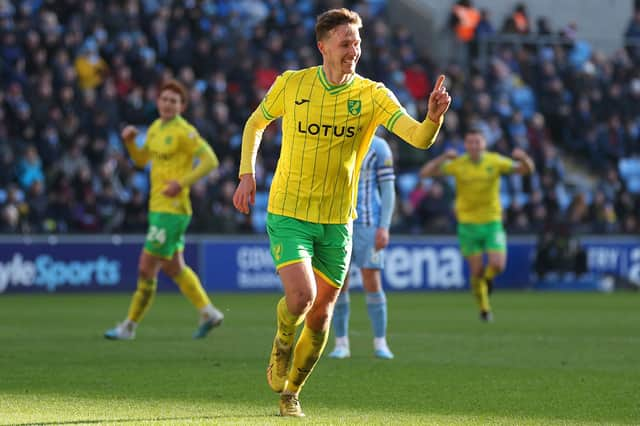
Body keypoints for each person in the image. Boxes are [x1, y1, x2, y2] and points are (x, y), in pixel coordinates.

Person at [232, 8, 451, 417]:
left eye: (357, 43)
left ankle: (291, 392)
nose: (354, 50)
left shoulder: (372, 94)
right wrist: (247, 174)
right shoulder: (292, 84)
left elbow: (418, 138)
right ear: (323, 46)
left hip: (338, 221)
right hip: (289, 210)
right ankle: (282, 340)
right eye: (346, 43)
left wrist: (433, 119)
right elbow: (254, 124)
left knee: (322, 312)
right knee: (301, 297)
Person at [104, 79, 224, 340]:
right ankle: (208, 312)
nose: (168, 104)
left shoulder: (185, 131)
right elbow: (141, 160)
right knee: (173, 267)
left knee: (146, 268)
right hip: (158, 208)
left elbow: (210, 160)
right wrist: (130, 143)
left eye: (174, 101)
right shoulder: (156, 128)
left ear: (182, 105)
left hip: (173, 209)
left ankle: (129, 326)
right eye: (164, 99)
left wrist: (181, 183)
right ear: (157, 102)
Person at [419, 129, 534, 322]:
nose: (474, 146)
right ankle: (484, 309)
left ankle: (488, 280)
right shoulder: (458, 164)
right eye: (470, 142)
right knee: (477, 271)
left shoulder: (495, 161)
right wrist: (443, 157)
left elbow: (526, 170)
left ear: (484, 144)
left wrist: (524, 158)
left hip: (492, 222)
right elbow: (425, 173)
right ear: (465, 145)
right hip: (468, 224)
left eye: (477, 142)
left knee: (497, 265)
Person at [327, 135, 396, 360]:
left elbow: (388, 190)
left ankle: (380, 343)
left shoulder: (378, 147)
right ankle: (341, 344)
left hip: (368, 224)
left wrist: (384, 226)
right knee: (338, 285)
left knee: (372, 281)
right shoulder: (337, 139)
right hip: (338, 223)